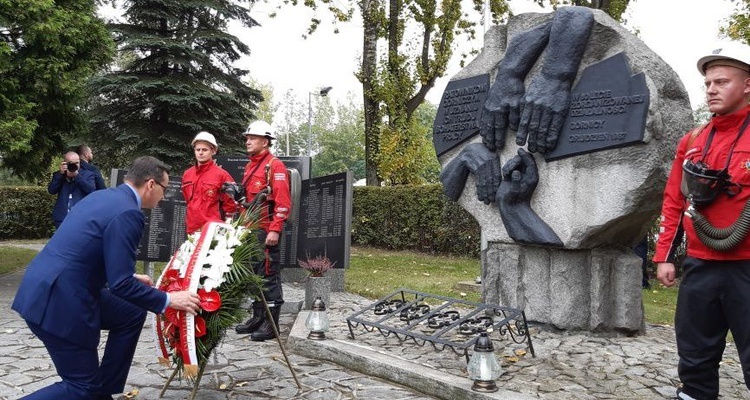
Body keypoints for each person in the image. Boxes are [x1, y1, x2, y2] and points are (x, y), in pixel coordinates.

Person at [13, 156, 202, 400]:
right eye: (164, 189)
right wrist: (168, 300)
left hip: (45, 287)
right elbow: (121, 285)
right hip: (58, 303)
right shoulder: (129, 214)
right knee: (81, 387)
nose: (164, 197)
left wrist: (129, 274)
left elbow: (83, 248)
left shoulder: (102, 197)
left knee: (131, 312)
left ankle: (104, 391)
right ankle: (93, 392)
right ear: (151, 185)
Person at [654, 42, 750, 400]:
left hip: (747, 266)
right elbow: (674, 200)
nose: (711, 89)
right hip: (701, 265)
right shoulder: (693, 140)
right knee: (694, 355)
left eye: (722, 82)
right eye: (708, 83)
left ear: (747, 85)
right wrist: (664, 254)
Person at [234, 120, 292, 341]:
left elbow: (283, 201)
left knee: (268, 275)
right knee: (254, 276)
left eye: (253, 138)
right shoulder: (251, 165)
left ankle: (271, 325)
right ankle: (258, 317)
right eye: (247, 137)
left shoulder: (274, 166)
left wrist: (275, 229)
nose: (248, 141)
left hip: (266, 230)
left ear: (265, 142)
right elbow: (248, 201)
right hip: (250, 229)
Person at [181, 131, 238, 235]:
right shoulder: (187, 174)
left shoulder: (222, 175)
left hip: (213, 232)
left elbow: (231, 205)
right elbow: (188, 201)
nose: (200, 153)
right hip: (191, 231)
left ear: (213, 151)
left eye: (204, 150)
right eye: (198, 149)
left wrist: (226, 231)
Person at [47, 151, 96, 228]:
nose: (75, 165)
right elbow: (51, 190)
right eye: (71, 163)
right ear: (65, 163)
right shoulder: (59, 174)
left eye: (77, 163)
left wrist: (77, 176)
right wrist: (60, 174)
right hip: (62, 218)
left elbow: (91, 190)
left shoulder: (88, 175)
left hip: (81, 218)